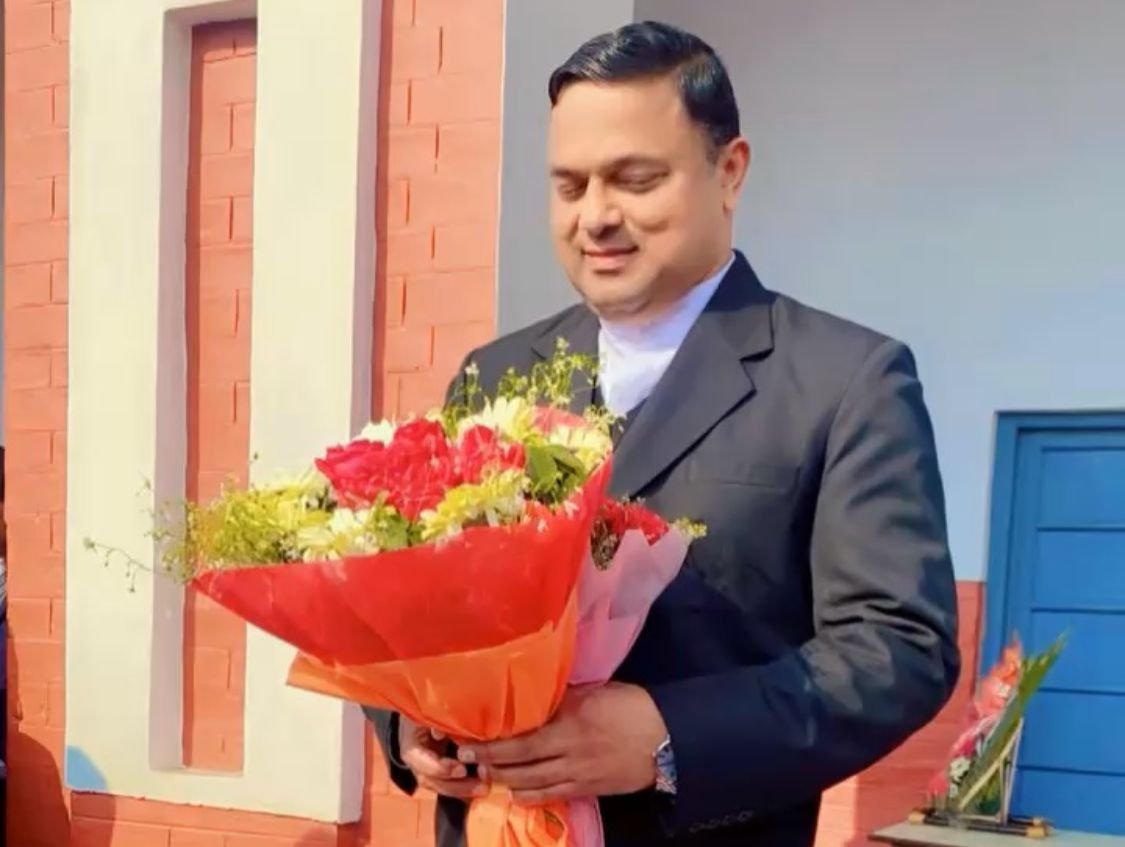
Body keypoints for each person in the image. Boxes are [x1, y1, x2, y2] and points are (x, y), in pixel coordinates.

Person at [367, 20, 960, 847]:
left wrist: (667, 735)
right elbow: (414, 597)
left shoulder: (844, 380)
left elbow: (898, 649)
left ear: (729, 171)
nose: (595, 216)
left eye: (635, 179)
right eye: (569, 186)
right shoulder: (494, 375)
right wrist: (408, 720)